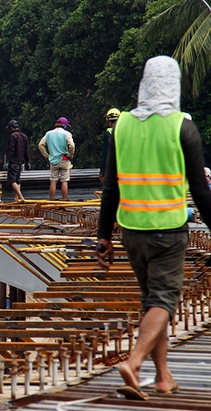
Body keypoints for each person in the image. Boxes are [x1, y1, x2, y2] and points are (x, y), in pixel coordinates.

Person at [96, 56, 211, 400]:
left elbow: (111, 188)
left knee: (152, 302)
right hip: (169, 229)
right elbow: (201, 191)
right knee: (164, 299)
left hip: (131, 231)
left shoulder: (123, 126)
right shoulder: (182, 126)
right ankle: (134, 362)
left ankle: (163, 377)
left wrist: (103, 236)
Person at [38, 117, 75, 200]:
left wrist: (46, 156)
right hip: (64, 159)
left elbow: (40, 145)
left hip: (53, 160)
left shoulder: (48, 133)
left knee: (53, 180)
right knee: (64, 180)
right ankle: (64, 200)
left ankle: (52, 199)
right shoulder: (67, 134)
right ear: (64, 125)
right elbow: (72, 146)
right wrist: (70, 155)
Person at [5, 120, 30, 203]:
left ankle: (21, 198)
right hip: (21, 162)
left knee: (12, 180)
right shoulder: (24, 136)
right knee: (18, 180)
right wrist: (27, 162)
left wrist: (7, 161)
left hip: (14, 162)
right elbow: (27, 151)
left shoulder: (13, 136)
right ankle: (16, 199)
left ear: (11, 127)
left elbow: (11, 149)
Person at [99, 108, 121, 183]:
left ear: (108, 120)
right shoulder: (125, 131)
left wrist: (102, 170)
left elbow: (106, 153)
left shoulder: (108, 133)